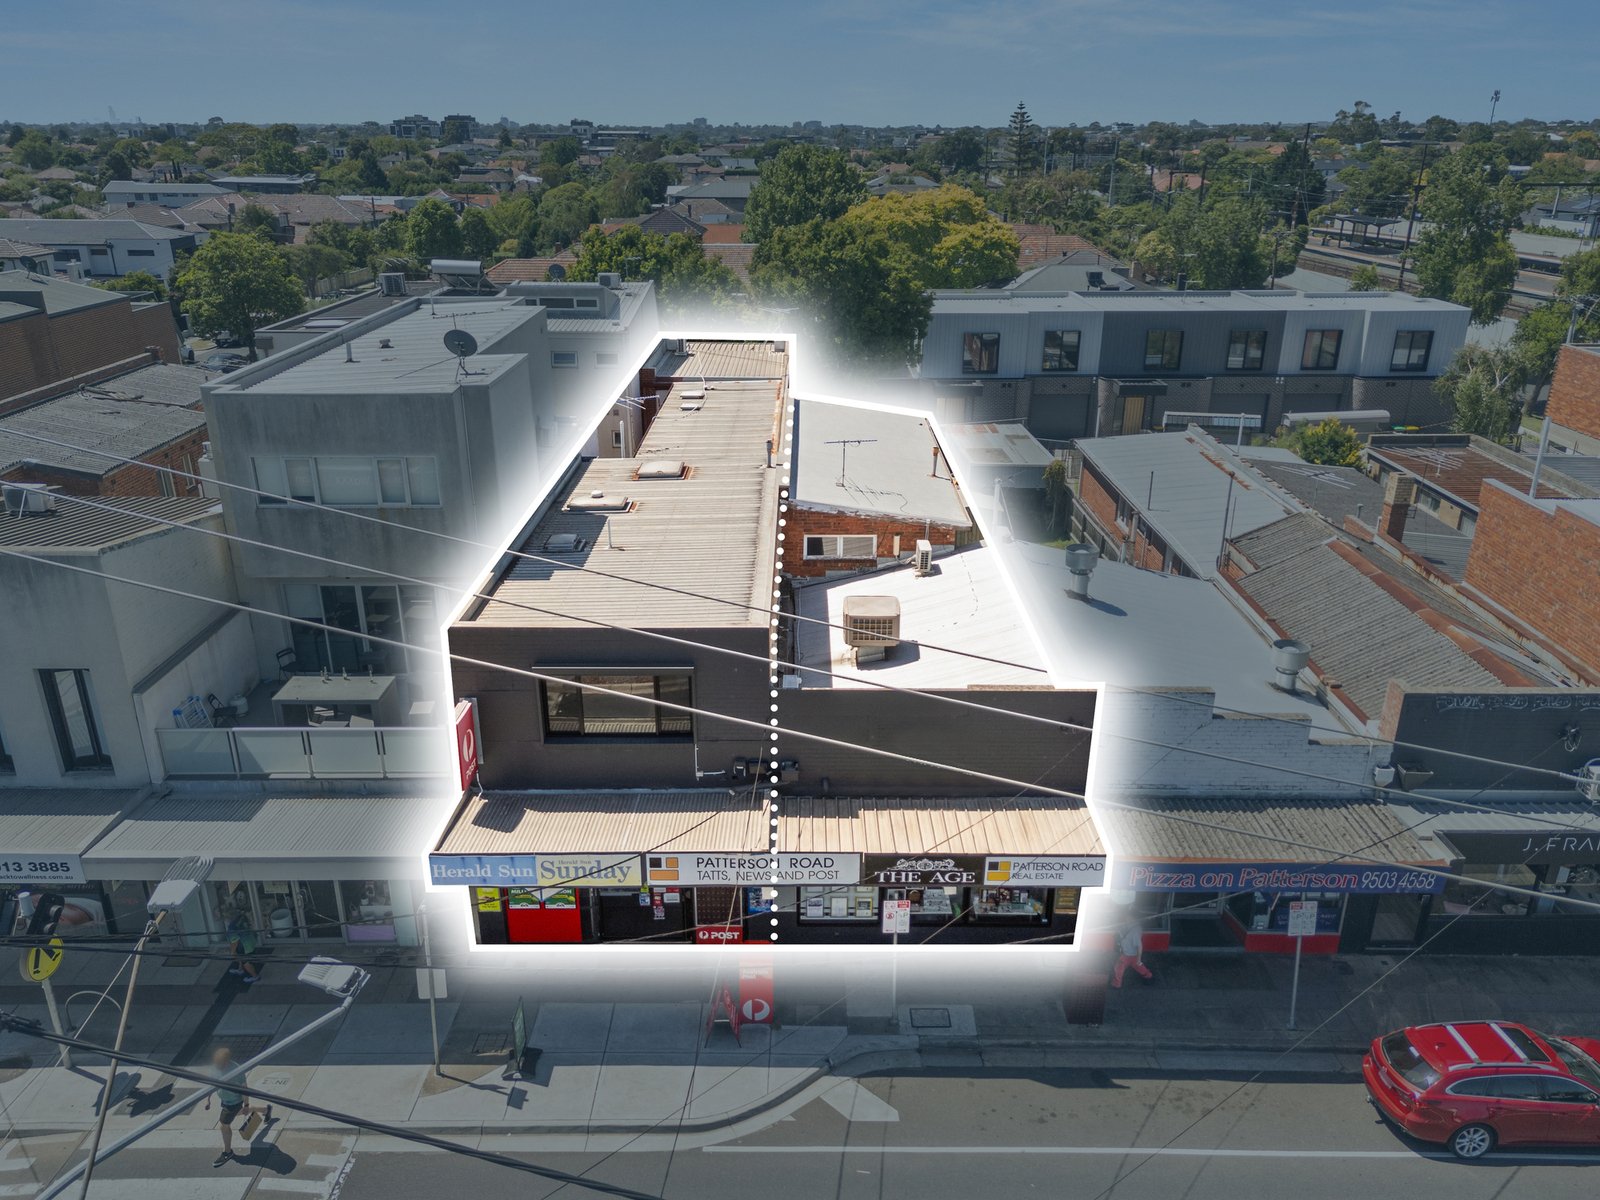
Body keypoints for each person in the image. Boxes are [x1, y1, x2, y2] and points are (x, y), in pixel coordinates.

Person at [206, 1046, 270, 1166]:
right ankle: (265, 1110)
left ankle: (227, 1152)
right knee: (240, 1112)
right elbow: (211, 1083)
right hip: (225, 1100)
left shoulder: (236, 1070)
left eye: (220, 1063)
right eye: (217, 1063)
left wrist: (246, 1104)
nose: (218, 1066)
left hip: (233, 1102)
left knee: (224, 1126)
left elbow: (244, 1089)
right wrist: (208, 1099)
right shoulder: (215, 1068)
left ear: (226, 1061)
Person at [1111, 917, 1154, 987]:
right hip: (1129, 954)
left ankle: (1117, 984)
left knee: (1118, 968)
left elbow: (1139, 946)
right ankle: (1149, 976)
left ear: (1132, 918)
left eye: (1128, 917)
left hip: (1129, 955)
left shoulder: (1135, 931)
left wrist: (1139, 959)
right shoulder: (1130, 926)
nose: (1126, 918)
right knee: (1139, 967)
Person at [225, 907, 261, 985]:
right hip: (251, 939)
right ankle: (240, 969)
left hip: (245, 946)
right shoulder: (241, 917)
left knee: (246, 962)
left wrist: (232, 952)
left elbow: (235, 941)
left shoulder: (231, 928)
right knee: (241, 956)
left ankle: (255, 976)